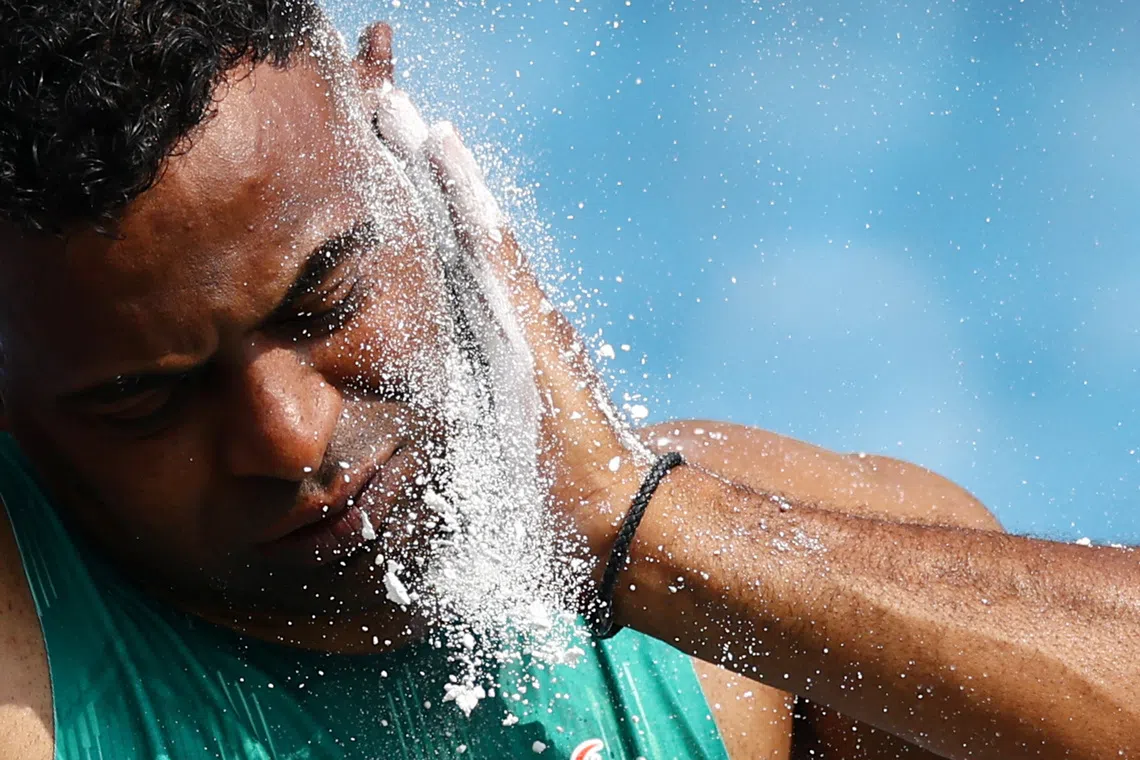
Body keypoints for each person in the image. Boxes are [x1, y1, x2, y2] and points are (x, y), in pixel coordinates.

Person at [0, 3, 1135, 759]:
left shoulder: (736, 615)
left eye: (325, 300)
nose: (288, 437)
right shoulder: (36, 654)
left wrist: (632, 529)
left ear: (385, 137)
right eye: (143, 399)